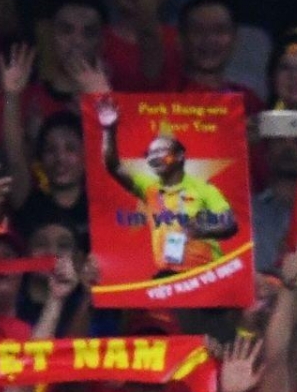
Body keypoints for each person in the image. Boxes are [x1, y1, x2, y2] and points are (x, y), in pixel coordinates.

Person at [95, 95, 237, 278]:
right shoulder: (149, 189)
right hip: (168, 276)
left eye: (161, 151)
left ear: (179, 156)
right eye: (150, 154)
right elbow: (113, 166)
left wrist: (203, 230)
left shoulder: (205, 189)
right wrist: (108, 129)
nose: (154, 157)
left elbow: (229, 224)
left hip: (205, 275)